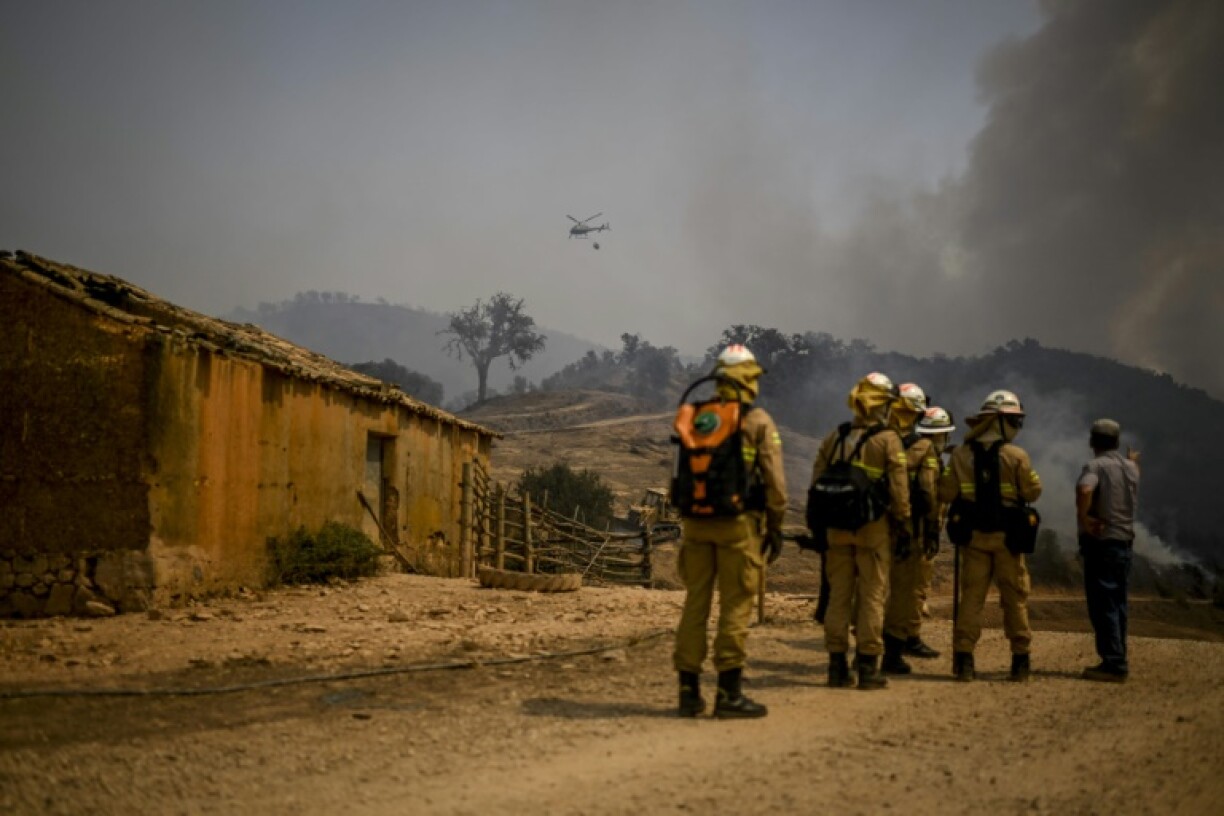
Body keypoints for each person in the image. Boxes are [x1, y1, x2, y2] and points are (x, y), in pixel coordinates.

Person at [672, 344, 788, 718]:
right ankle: (729, 694)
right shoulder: (758, 421)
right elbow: (776, 486)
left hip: (695, 523)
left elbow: (678, 474)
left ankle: (688, 692)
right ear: (750, 380)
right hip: (738, 526)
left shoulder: (695, 415)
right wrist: (776, 527)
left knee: (695, 605)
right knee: (736, 606)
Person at [810, 373, 910, 690]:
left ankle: (836, 666)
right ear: (884, 405)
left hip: (836, 530)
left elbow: (815, 483)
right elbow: (899, 491)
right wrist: (903, 524)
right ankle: (868, 667)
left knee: (838, 595)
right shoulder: (888, 440)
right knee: (872, 596)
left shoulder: (836, 436)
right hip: (873, 529)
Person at [939, 390, 1042, 682]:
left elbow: (945, 493)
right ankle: (1020, 661)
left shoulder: (960, 454)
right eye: (1015, 421)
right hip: (1009, 541)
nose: (1017, 427)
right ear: (1000, 421)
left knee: (971, 599)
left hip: (973, 540)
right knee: (1015, 598)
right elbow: (1033, 491)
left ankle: (964, 660)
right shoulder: (1016, 456)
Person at [882, 402, 953, 672]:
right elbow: (929, 495)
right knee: (913, 586)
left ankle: (878, 635)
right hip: (916, 531)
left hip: (888, 527)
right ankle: (907, 637)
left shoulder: (895, 447)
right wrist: (932, 529)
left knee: (880, 585)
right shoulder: (927, 454)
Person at [1076, 418, 1140, 683]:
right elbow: (1135, 470)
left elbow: (1085, 488)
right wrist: (1132, 459)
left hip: (1103, 543)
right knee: (1118, 602)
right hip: (1124, 542)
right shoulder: (1131, 469)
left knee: (1103, 604)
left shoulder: (1095, 466)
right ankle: (1119, 657)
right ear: (1116, 442)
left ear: (1093, 442)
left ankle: (1113, 664)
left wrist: (1084, 517)